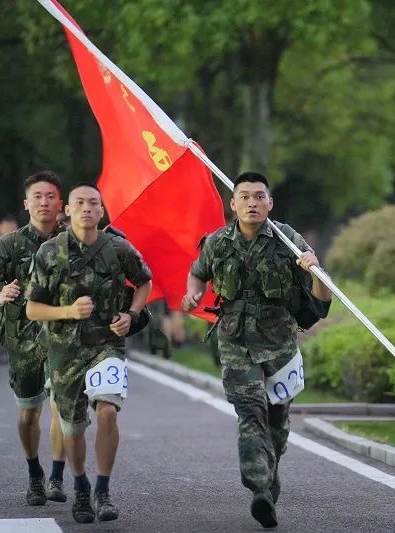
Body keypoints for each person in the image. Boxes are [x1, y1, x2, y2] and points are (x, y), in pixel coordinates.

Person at [182, 171, 332, 529]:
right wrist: (194, 294)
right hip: (235, 344)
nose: (252, 202)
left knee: (277, 418)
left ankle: (270, 470)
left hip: (280, 345)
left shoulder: (288, 240)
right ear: (233, 203)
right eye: (245, 196)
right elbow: (197, 272)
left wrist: (315, 271)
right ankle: (259, 486)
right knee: (251, 412)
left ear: (270, 203)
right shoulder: (218, 242)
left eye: (259, 196)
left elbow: (322, 296)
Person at [26, 183, 152, 523]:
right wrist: (68, 311)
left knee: (108, 411)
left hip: (106, 345)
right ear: (67, 210)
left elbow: (144, 280)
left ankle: (103, 490)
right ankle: (80, 487)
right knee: (73, 428)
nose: (86, 208)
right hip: (64, 351)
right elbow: (33, 309)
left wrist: (132, 315)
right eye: (79, 203)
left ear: (101, 211)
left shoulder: (119, 248)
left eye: (93, 203)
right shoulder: (49, 253)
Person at [0, 171, 71, 506]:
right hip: (24, 342)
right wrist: (0, 295)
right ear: (27, 203)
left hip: (65, 340)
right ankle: (34, 474)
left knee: (60, 407)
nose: (45, 202)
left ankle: (57, 476)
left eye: (51, 196)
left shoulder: (76, 240)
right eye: (38, 197)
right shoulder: (10, 244)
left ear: (62, 203)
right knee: (29, 413)